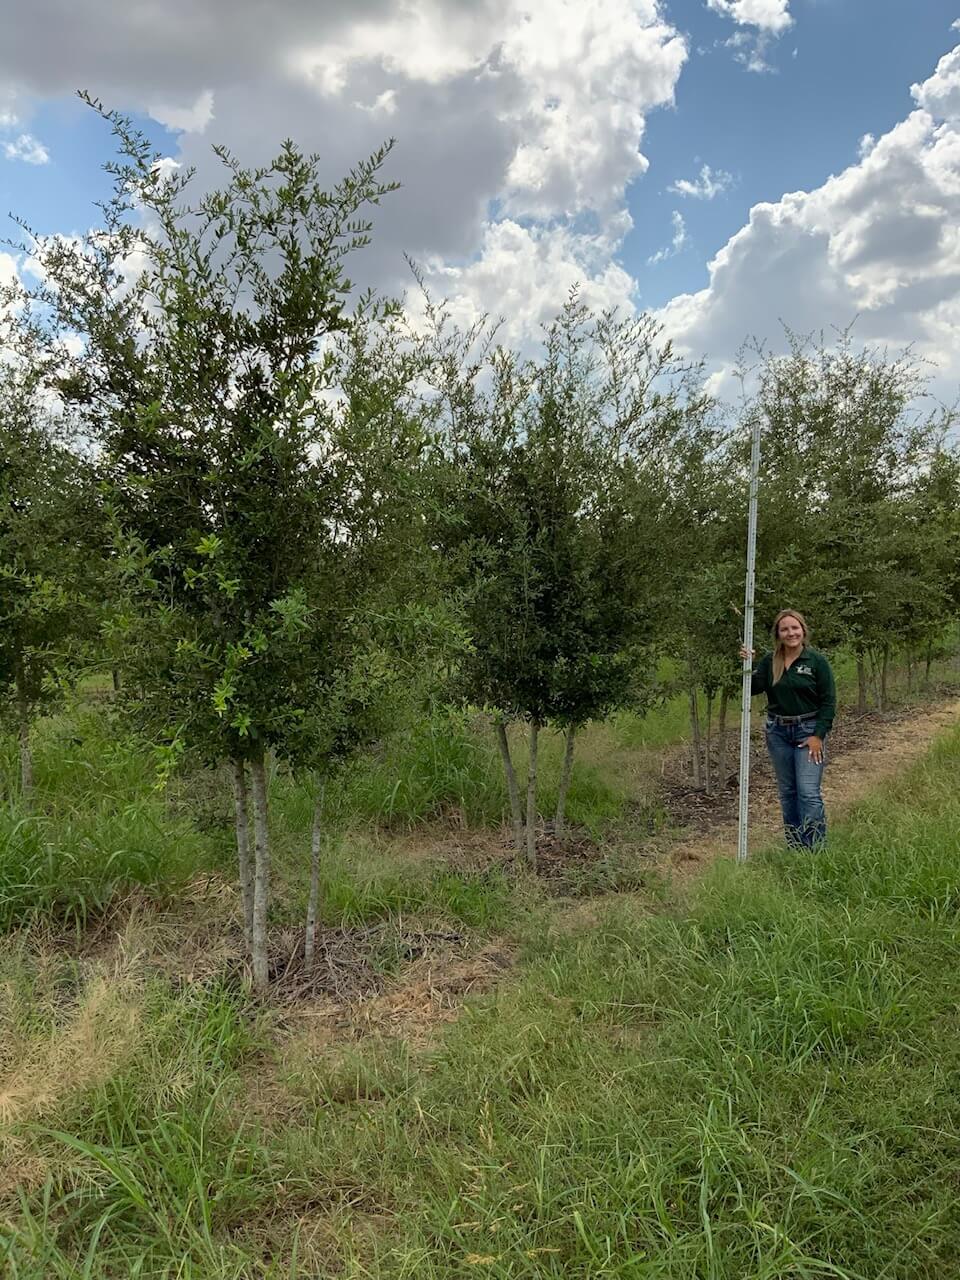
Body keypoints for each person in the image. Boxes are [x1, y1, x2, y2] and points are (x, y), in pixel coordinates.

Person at [740, 609, 836, 849]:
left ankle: (816, 849)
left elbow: (828, 702)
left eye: (795, 628)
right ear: (778, 634)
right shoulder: (769, 661)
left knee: (808, 793)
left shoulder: (816, 662)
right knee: (788, 793)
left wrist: (818, 736)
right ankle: (796, 848)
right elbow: (752, 689)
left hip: (808, 732)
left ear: (803, 630)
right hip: (778, 732)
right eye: (785, 629)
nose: (791, 633)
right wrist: (747, 665)